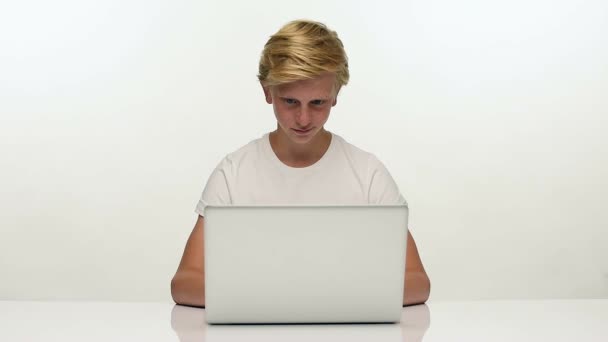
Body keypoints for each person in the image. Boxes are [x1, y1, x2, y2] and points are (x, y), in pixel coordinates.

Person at [171, 19, 430, 307]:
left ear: (335, 96)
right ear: (267, 92)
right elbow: (185, 283)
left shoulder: (367, 174)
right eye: (291, 101)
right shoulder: (233, 173)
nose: (304, 119)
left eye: (317, 103)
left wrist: (310, 296)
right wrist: (291, 296)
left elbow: (417, 282)